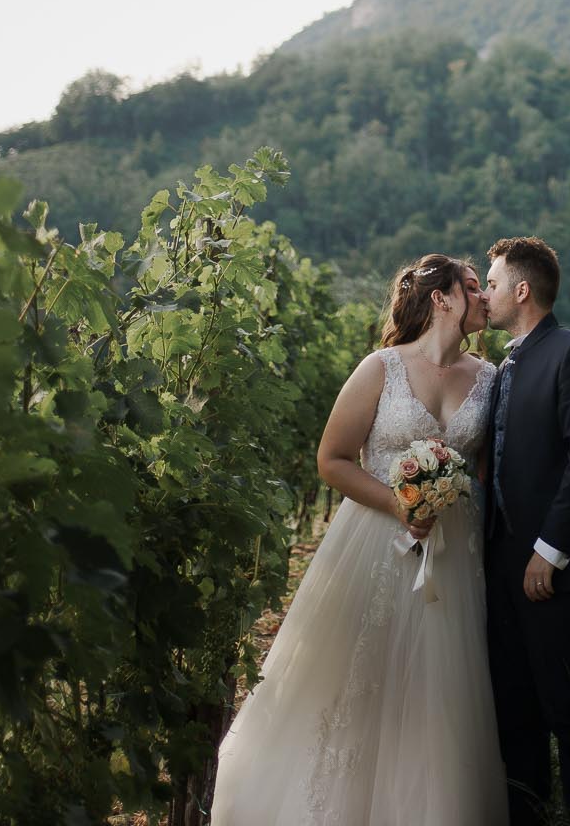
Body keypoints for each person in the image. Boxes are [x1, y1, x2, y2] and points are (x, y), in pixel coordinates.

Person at [210, 253, 508, 826]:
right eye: (472, 288)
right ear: (440, 298)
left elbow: (488, 471)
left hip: (453, 555)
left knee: (440, 691)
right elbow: (332, 460)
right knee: (352, 682)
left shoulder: (491, 378)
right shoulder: (382, 368)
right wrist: (402, 504)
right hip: (374, 543)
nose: (483, 299)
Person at [483, 235, 570, 826]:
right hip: (499, 568)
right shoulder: (503, 367)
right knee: (514, 712)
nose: (485, 295)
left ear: (522, 290)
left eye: (491, 284)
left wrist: (550, 551)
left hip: (554, 570)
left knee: (565, 710)